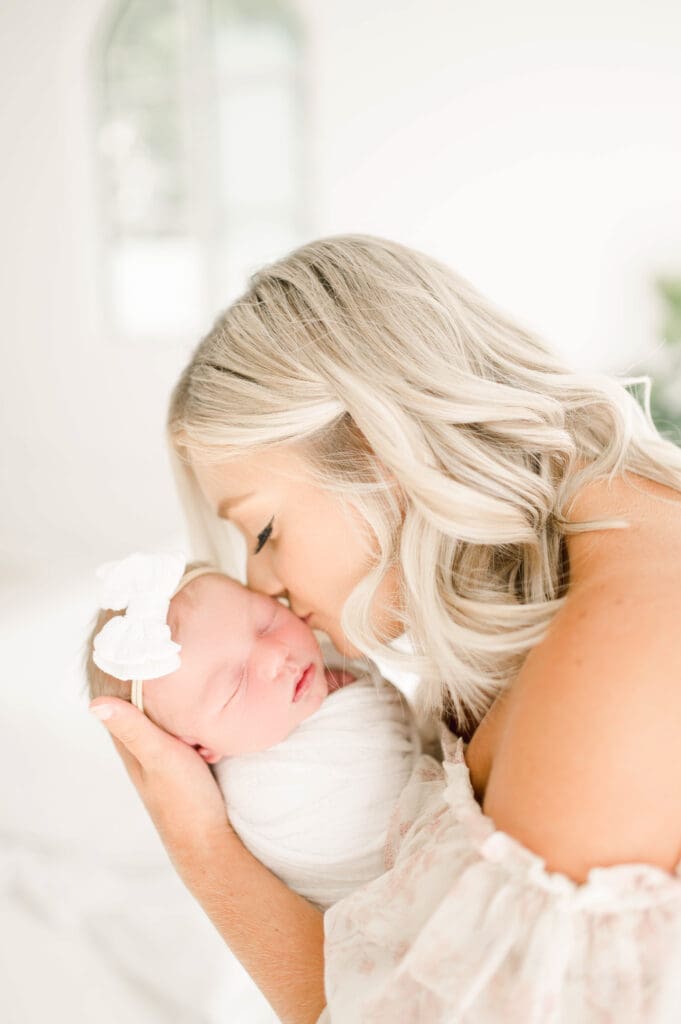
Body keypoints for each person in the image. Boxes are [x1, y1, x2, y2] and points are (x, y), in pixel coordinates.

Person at [88, 233, 681, 1023]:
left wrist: (199, 845)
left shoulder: (616, 670)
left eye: (262, 531)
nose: (263, 586)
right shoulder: (575, 564)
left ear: (376, 443)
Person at [84, 550, 422, 912]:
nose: (276, 655)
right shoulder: (268, 791)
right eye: (236, 684)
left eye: (266, 622)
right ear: (200, 749)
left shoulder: (330, 646)